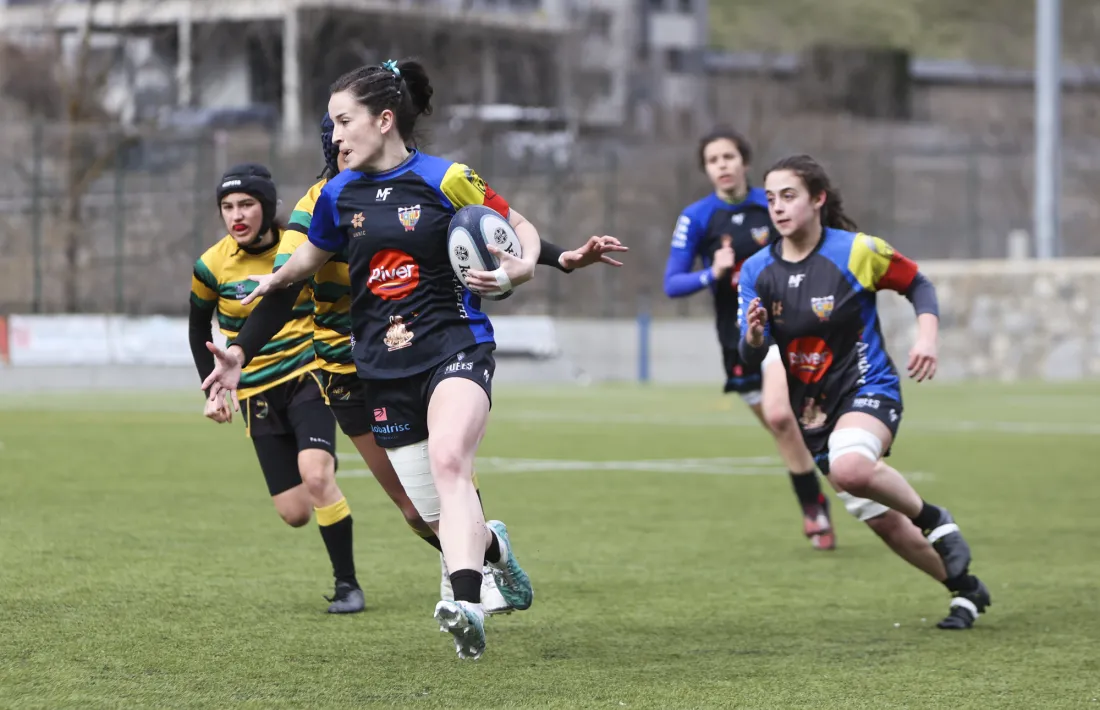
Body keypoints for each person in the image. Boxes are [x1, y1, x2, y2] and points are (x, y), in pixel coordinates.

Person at [201, 113, 629, 618]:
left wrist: (560, 259)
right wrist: (241, 352)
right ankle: (490, 550)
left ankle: (468, 580)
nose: (346, 145)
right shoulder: (321, 204)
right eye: (337, 140)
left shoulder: (416, 184)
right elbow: (285, 284)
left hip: (420, 354)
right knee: (413, 507)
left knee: (451, 469)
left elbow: (471, 228)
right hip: (346, 371)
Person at [233, 58, 563, 660]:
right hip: (381, 367)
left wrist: (520, 264)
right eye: (331, 125)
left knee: (449, 460)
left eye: (343, 122)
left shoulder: (449, 177)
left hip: (456, 346)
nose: (334, 137)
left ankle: (465, 602)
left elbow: (518, 225)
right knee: (427, 512)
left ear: (384, 120)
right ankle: (494, 552)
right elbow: (312, 256)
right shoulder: (336, 192)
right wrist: (271, 283)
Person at [738, 153, 991, 629]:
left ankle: (937, 519)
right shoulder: (756, 272)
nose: (778, 207)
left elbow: (917, 282)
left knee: (852, 467)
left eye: (789, 195)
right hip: (813, 413)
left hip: (867, 386)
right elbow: (751, 356)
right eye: (770, 198)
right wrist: (753, 337)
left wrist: (927, 337)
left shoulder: (856, 251)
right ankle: (966, 591)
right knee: (886, 524)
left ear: (818, 199)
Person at [188, 162, 364, 614]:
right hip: (257, 394)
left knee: (317, 476)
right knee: (295, 513)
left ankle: (348, 586)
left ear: (267, 207)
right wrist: (212, 390)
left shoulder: (300, 250)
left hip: (308, 376)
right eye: (227, 207)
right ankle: (318, 471)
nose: (236, 215)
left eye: (246, 204)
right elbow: (197, 331)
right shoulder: (210, 265)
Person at [663, 128, 837, 549]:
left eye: (728, 157)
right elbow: (672, 283)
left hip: (790, 329)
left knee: (786, 419)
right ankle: (818, 500)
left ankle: (824, 502)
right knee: (783, 426)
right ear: (706, 169)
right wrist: (713, 273)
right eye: (712, 160)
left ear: (744, 161)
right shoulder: (697, 217)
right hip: (738, 338)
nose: (722, 165)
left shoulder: (773, 203)